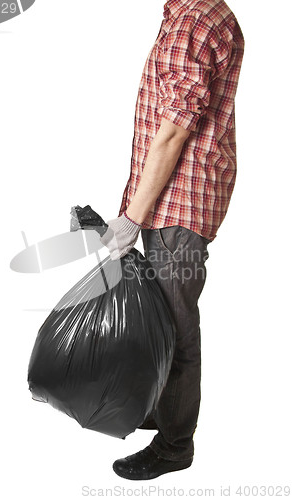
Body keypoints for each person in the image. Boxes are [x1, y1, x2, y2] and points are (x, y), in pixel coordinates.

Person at [99, 0, 245, 480]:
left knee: (178, 330)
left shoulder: (195, 19)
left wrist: (131, 218)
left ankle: (175, 445)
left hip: (177, 204)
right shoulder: (188, 13)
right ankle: (163, 411)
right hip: (169, 199)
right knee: (161, 320)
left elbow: (174, 130)